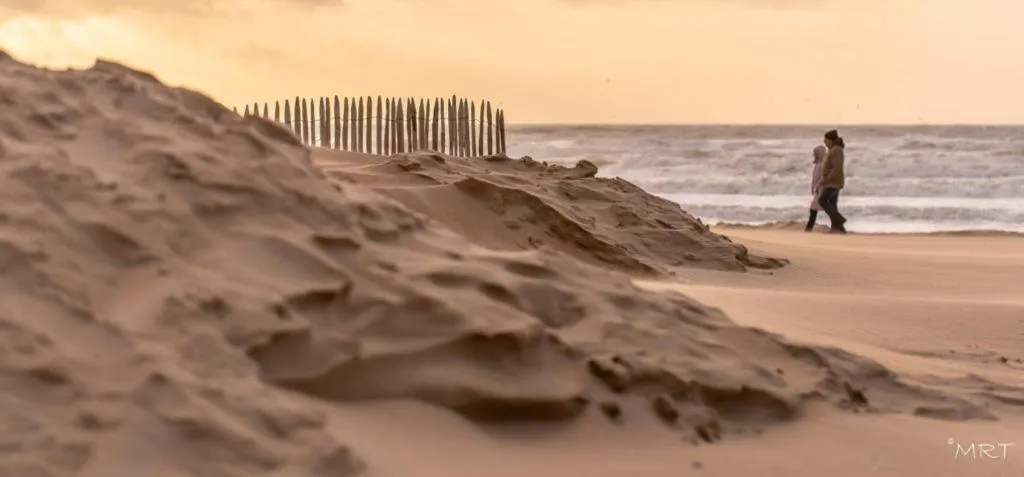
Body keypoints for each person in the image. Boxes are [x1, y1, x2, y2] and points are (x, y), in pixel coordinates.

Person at [818, 129, 847, 233]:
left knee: (822, 201)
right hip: (833, 181)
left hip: (833, 182)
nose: (824, 142)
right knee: (832, 204)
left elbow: (836, 168)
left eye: (825, 140)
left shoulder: (836, 150)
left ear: (830, 140)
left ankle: (839, 220)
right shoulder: (834, 149)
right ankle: (838, 229)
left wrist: (826, 179)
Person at [805, 145, 828, 232]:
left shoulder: (824, 163)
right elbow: (814, 177)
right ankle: (809, 228)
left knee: (814, 209)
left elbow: (824, 176)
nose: (814, 155)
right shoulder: (818, 163)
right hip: (818, 190)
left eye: (815, 153)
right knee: (816, 209)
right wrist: (812, 188)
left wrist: (818, 185)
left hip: (822, 189)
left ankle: (808, 228)